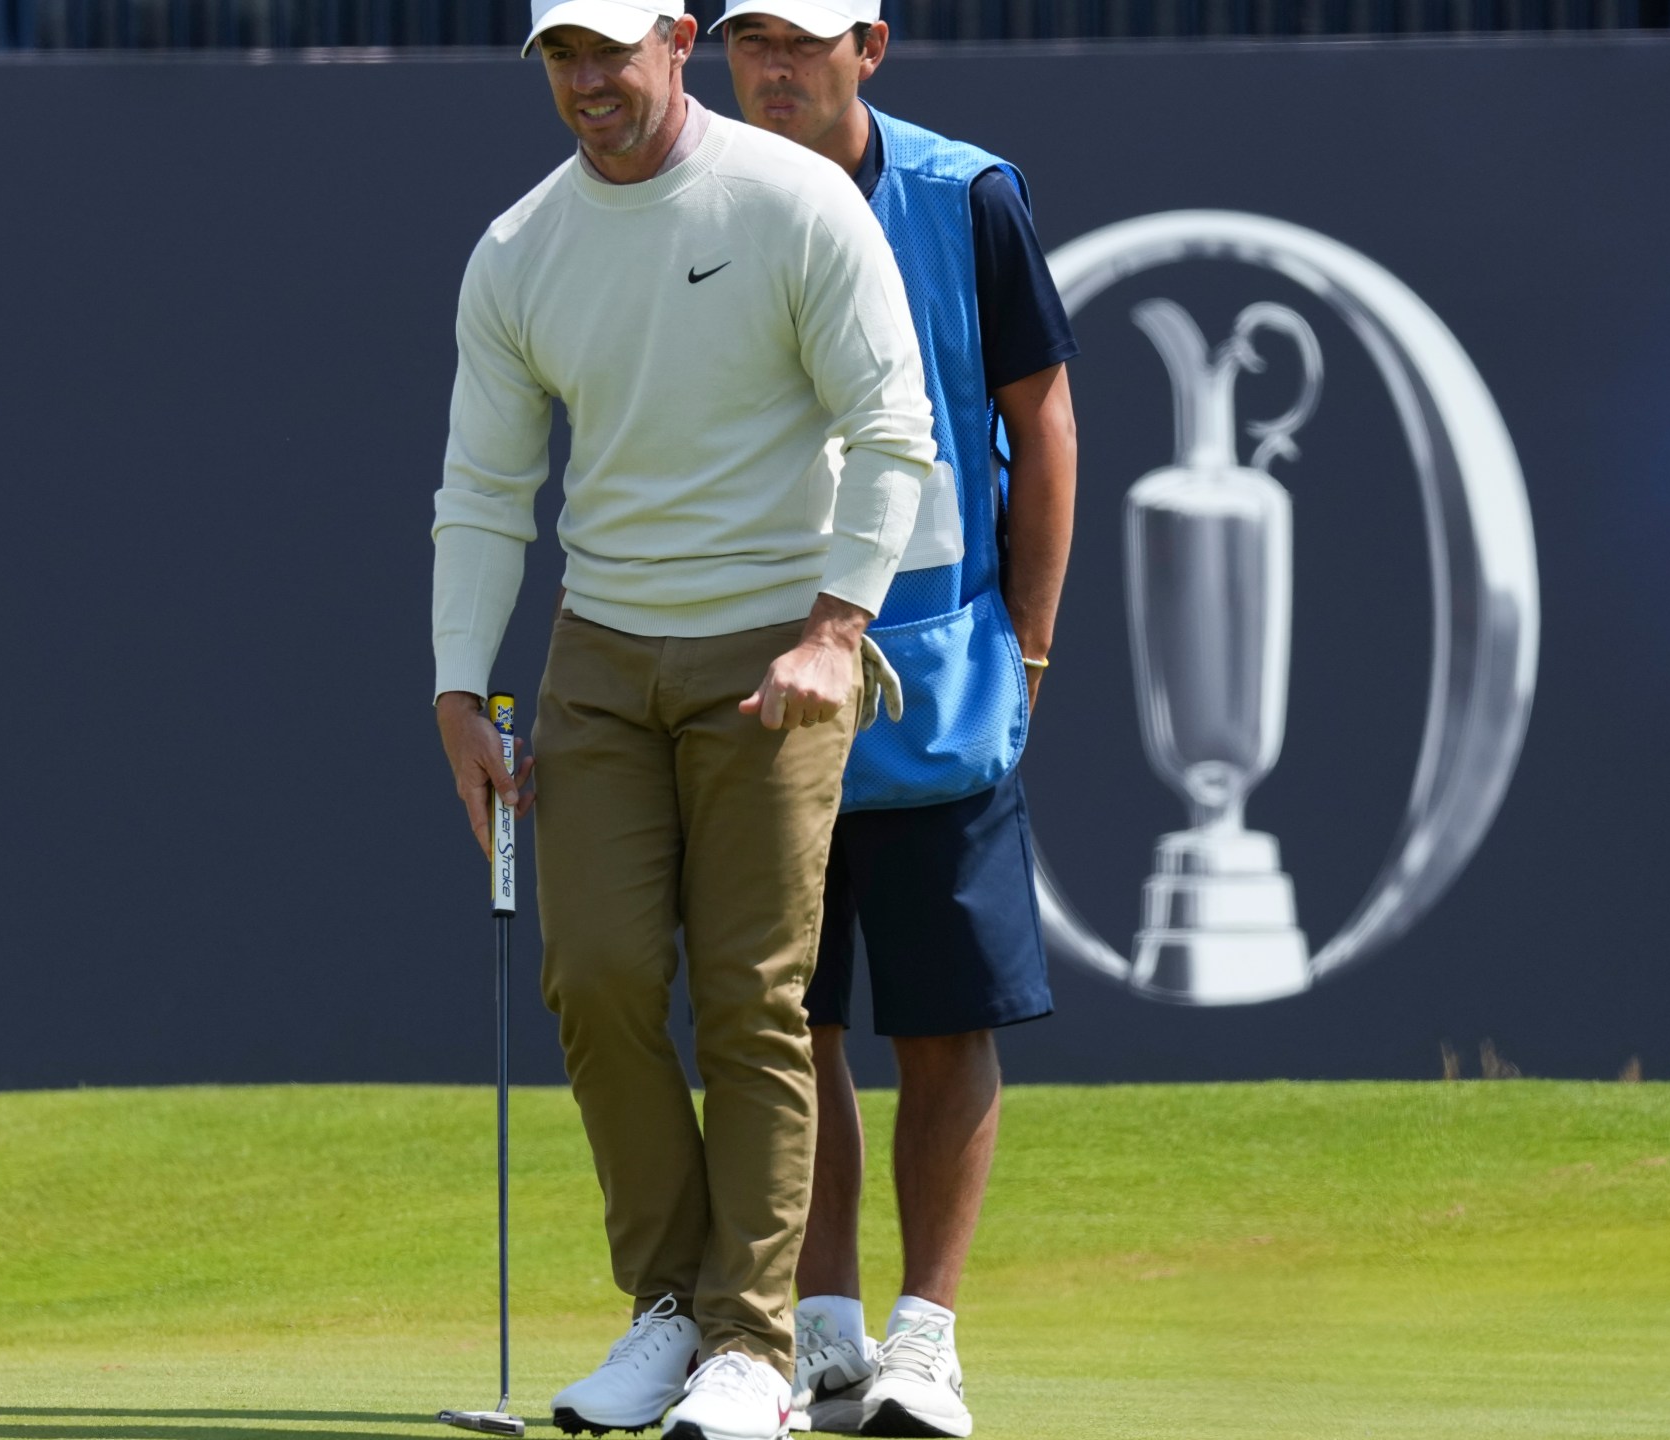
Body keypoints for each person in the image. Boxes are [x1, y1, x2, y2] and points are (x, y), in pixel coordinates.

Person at [429, 1, 944, 1435]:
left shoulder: (791, 203)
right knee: (593, 976)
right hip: (601, 651)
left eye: (609, 49)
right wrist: (459, 691)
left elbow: (896, 426)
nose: (588, 83)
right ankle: (668, 1308)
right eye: (559, 58)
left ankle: (749, 1347)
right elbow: (483, 489)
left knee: (750, 997)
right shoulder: (520, 249)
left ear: (675, 36)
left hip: (778, 642)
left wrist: (841, 630)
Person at [719, 3, 1080, 1435]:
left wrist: (1032, 643)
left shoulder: (967, 195)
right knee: (786, 1025)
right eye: (751, 37)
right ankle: (820, 1334)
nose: (775, 65)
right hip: (751, 682)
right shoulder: (687, 198)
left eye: (804, 39)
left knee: (943, 1021)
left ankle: (926, 1341)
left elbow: (1039, 412)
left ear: (872, 45)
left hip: (938, 675)